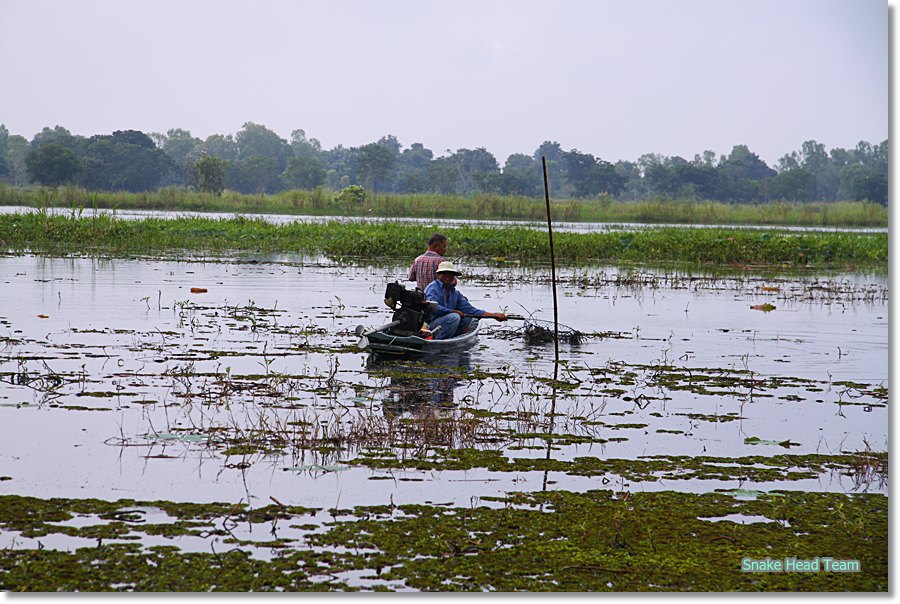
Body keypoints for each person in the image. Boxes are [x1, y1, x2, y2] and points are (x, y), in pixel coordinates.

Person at [424, 261, 506, 339]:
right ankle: (438, 340)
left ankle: (449, 338)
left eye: (451, 274)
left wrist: (495, 316)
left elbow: (471, 310)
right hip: (430, 324)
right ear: (438, 275)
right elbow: (432, 307)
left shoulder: (455, 293)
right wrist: (452, 311)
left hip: (444, 324)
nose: (448, 276)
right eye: (444, 273)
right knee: (455, 317)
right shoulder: (433, 287)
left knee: (468, 318)